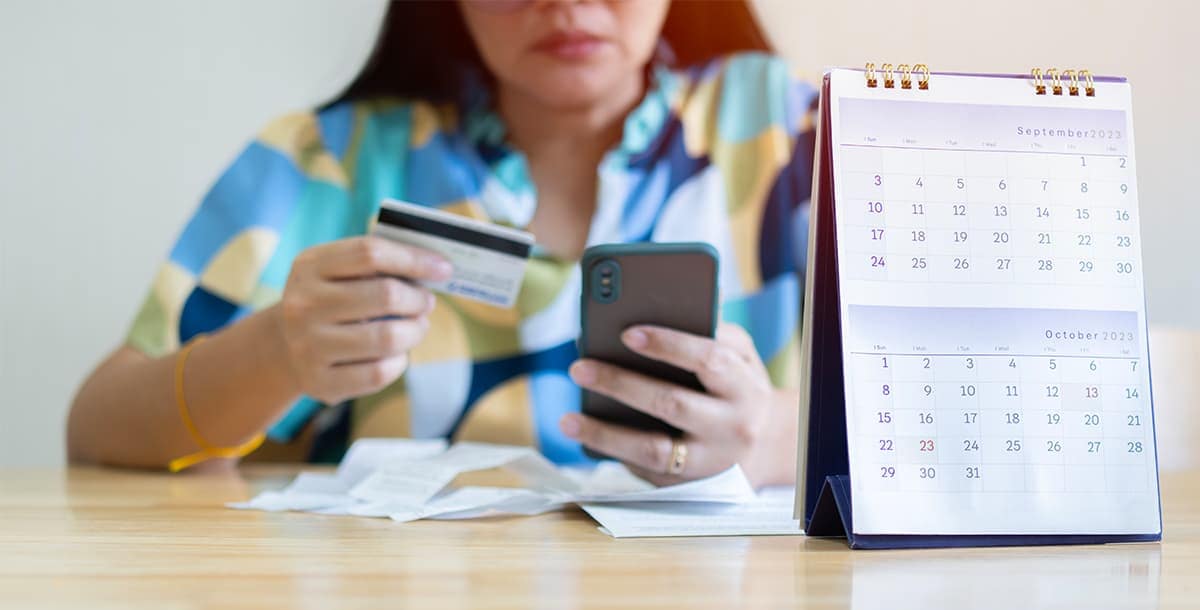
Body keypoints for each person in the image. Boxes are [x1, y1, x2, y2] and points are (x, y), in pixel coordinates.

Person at [67, 0, 815, 487]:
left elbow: (898, 427)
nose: (565, 5)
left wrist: (773, 436)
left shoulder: (795, 135)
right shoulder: (332, 159)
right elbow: (97, 428)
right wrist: (275, 352)